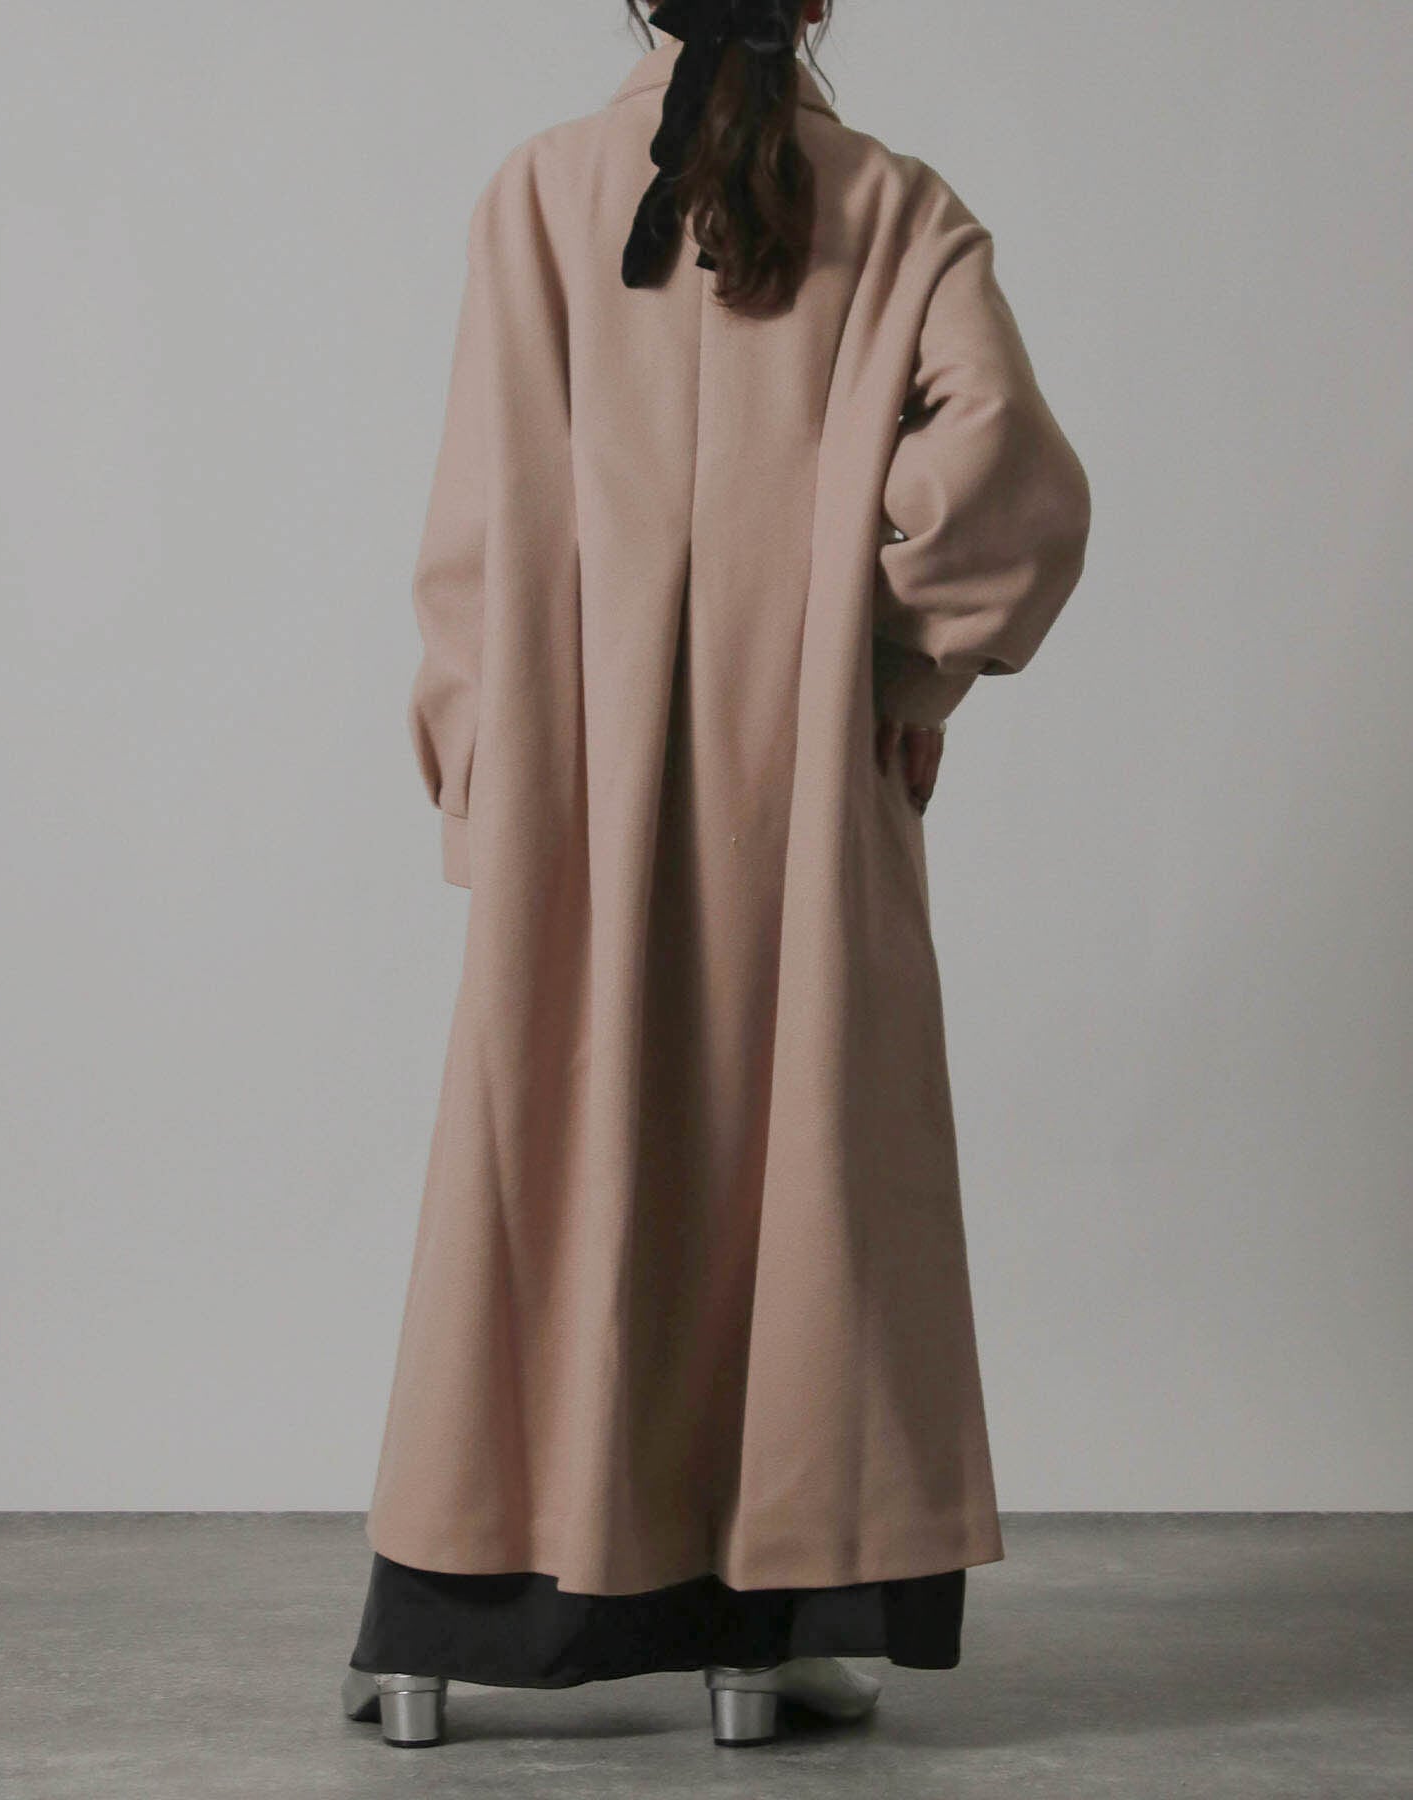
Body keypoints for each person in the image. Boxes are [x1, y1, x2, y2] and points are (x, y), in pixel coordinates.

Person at [342, 0, 1091, 1751]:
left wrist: (483, 779)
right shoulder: (896, 208)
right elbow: (1013, 482)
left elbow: (474, 532)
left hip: (572, 781)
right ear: (819, 1)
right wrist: (893, 669)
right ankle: (762, 1642)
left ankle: (440, 1636)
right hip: (802, 788)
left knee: (545, 1173)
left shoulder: (540, 193)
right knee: (795, 1171)